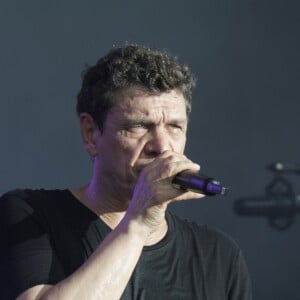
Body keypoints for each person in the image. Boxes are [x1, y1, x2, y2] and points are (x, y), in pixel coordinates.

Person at [0, 44, 252, 300]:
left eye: (175, 126)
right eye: (140, 126)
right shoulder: (28, 216)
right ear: (90, 133)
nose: (162, 146)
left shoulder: (219, 254)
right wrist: (139, 220)